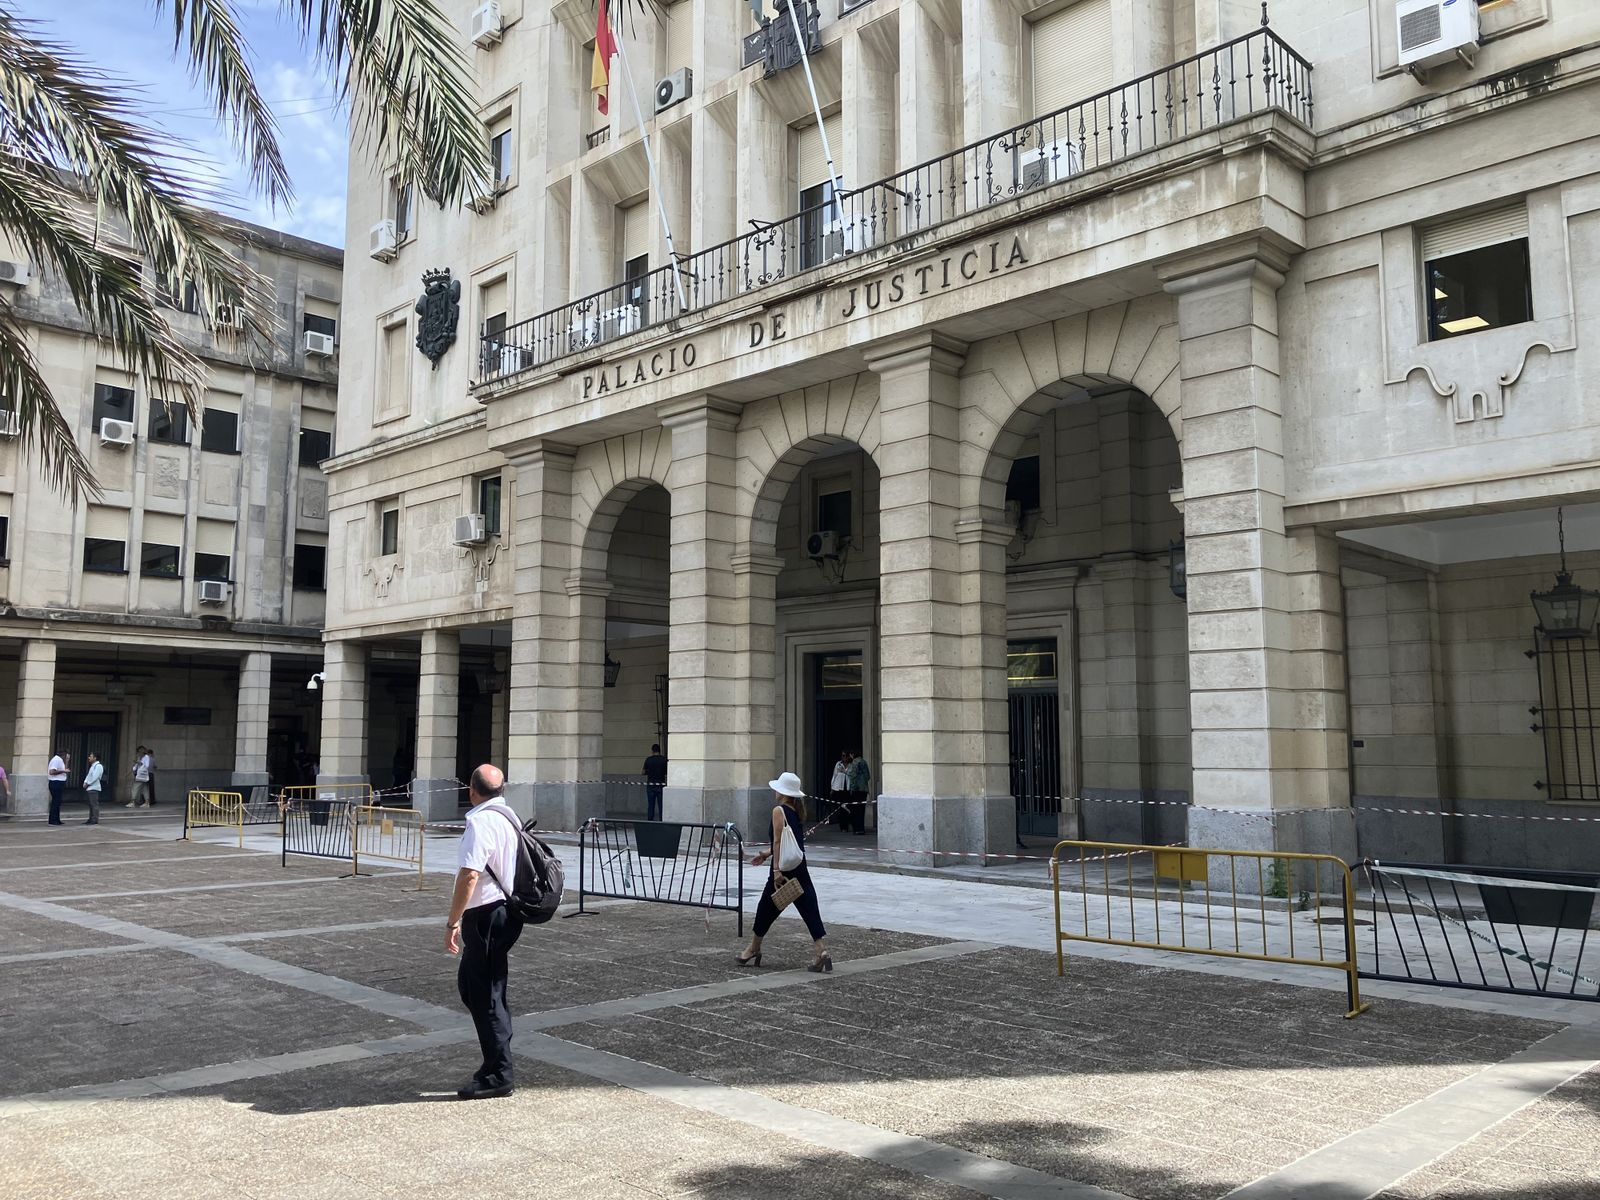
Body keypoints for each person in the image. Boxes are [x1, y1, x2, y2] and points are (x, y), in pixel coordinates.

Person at [445, 763, 525, 1100]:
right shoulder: (510, 817)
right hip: (507, 911)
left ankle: (498, 1072)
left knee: (485, 993)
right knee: (477, 986)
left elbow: (469, 875)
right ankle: (497, 1056)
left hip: (487, 914)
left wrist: (453, 921)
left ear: (471, 791)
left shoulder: (479, 821)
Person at [736, 771, 831, 973]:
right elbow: (790, 843)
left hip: (783, 869)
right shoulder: (795, 812)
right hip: (799, 865)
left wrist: (776, 868)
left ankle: (753, 948)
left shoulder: (778, 810)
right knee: (809, 908)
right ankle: (821, 950)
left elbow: (779, 841)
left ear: (783, 792)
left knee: (765, 908)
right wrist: (765, 853)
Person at [846, 749, 871, 835]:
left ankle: (856, 829)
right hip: (864, 789)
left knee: (854, 810)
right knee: (861, 809)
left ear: (852, 754)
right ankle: (861, 828)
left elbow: (852, 776)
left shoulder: (855, 762)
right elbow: (868, 776)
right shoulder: (864, 762)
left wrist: (852, 789)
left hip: (856, 789)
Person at [642, 743, 667, 822]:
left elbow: (643, 772)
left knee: (651, 805)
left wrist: (649, 772)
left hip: (651, 786)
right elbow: (667, 771)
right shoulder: (664, 760)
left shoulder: (648, 760)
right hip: (661, 785)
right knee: (661, 806)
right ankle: (661, 821)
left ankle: (650, 821)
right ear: (659, 751)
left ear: (652, 751)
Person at [46, 749, 68, 825]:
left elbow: (65, 768)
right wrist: (63, 771)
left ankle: (57, 819)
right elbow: (52, 772)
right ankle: (53, 820)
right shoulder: (56, 760)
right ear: (64, 754)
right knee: (56, 801)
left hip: (59, 782)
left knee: (58, 801)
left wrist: (67, 762)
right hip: (56, 783)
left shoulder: (60, 760)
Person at [829, 751, 851, 830]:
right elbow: (834, 775)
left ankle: (847, 825)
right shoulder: (838, 764)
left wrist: (844, 771)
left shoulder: (851, 765)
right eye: (842, 756)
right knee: (840, 808)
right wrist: (832, 788)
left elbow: (851, 774)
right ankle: (842, 826)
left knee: (847, 807)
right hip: (839, 788)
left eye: (845, 756)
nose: (843, 757)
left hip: (848, 788)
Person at [82, 753, 104, 825]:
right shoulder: (92, 766)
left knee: (94, 804)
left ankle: (94, 819)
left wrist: (88, 783)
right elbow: (89, 776)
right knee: (91, 804)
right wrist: (85, 783)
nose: (89, 758)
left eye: (90, 756)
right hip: (90, 787)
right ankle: (91, 818)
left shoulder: (98, 766)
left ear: (95, 758)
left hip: (94, 787)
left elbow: (95, 777)